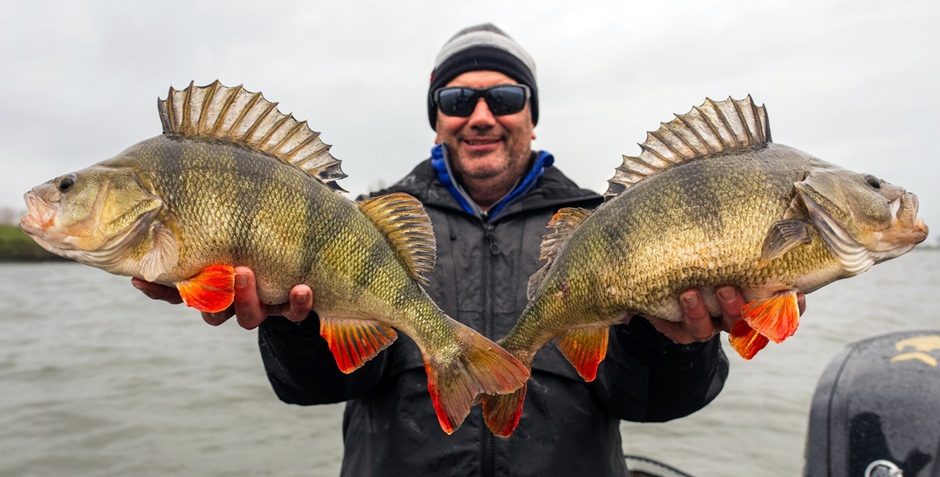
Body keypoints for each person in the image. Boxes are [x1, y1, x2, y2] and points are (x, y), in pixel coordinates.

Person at [133, 24, 803, 476]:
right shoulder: (371, 224)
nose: (481, 115)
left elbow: (646, 401)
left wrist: (673, 340)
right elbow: (322, 385)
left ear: (531, 113)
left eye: (504, 96)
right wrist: (293, 323)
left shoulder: (601, 227)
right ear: (437, 117)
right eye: (457, 98)